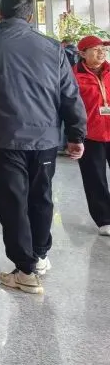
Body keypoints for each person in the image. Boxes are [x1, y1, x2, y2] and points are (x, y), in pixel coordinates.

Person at [0, 0, 85, 295]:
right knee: (41, 196)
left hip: (4, 137)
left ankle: (25, 270)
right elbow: (69, 93)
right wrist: (76, 135)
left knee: (12, 200)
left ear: (0, 15)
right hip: (45, 137)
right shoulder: (52, 47)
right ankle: (39, 255)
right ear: (30, 16)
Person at [72, 35, 110, 236]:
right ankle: (104, 219)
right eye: (95, 49)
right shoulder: (73, 75)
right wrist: (73, 134)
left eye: (103, 49)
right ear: (82, 53)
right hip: (90, 135)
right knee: (95, 178)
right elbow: (69, 106)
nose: (101, 52)